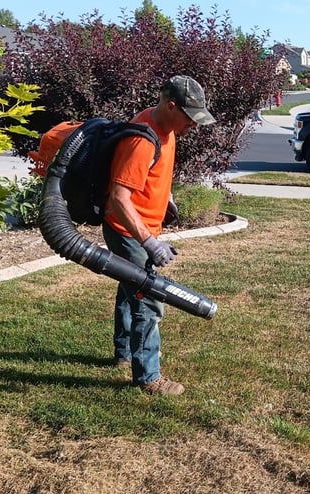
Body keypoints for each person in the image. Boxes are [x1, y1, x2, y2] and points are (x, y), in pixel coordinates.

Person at [102, 75, 216, 396]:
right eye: (190, 117)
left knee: (130, 290)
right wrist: (149, 242)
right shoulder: (144, 139)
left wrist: (164, 198)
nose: (193, 125)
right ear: (171, 106)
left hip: (139, 227)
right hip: (128, 230)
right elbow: (118, 198)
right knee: (148, 298)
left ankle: (124, 353)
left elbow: (151, 174)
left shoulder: (168, 129)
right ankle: (148, 376)